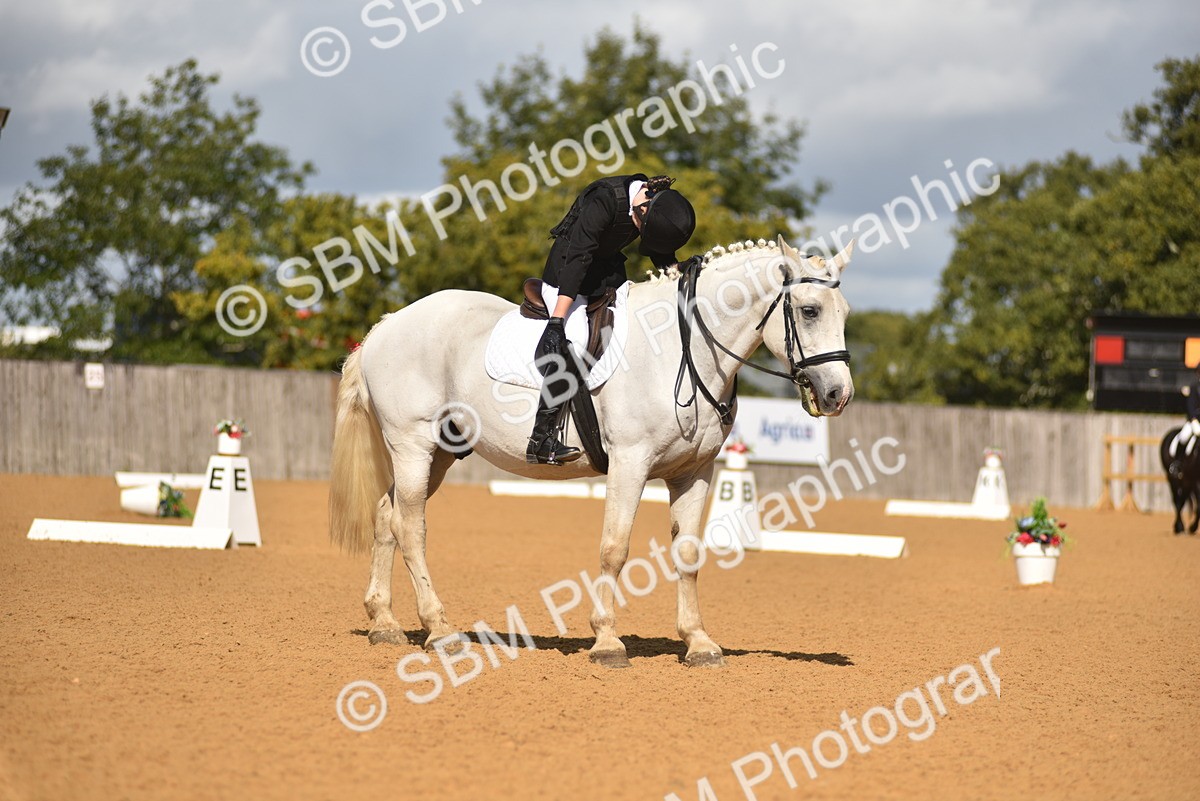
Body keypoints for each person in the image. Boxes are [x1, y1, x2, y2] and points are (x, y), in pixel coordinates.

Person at [527, 173, 696, 465]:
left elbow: (659, 249)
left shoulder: (649, 204)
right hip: (567, 275)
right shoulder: (604, 200)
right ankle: (541, 439)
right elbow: (580, 255)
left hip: (605, 275)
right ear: (643, 207)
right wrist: (557, 320)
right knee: (578, 337)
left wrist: (677, 269)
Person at [1169, 365, 1200, 459]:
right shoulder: (1194, 388)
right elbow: (1191, 405)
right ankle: (1178, 460)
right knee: (1184, 437)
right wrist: (1193, 419)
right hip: (1195, 421)